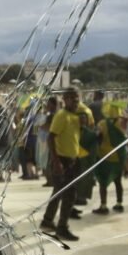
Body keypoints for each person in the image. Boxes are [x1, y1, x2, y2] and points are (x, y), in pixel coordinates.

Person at [40, 88, 82, 244]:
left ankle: (47, 221)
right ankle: (62, 227)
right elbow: (51, 138)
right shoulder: (62, 115)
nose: (76, 102)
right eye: (73, 99)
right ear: (65, 99)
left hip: (71, 160)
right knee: (69, 195)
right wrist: (56, 162)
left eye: (77, 99)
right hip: (62, 161)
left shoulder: (74, 116)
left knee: (58, 192)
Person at [92, 103, 126, 215]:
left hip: (105, 156)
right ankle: (119, 204)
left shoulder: (102, 123)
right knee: (118, 181)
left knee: (102, 182)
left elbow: (98, 138)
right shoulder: (122, 124)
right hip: (119, 156)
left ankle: (103, 205)